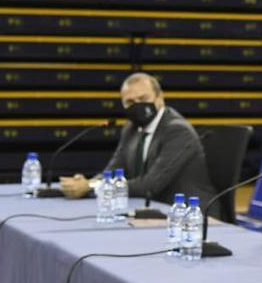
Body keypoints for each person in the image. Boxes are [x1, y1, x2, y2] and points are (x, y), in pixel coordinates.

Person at [59, 72, 216, 207]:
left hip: (187, 214)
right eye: (130, 102)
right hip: (149, 209)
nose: (138, 106)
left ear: (160, 98)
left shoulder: (177, 131)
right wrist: (87, 183)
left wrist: (91, 187)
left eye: (143, 98)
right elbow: (113, 171)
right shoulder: (131, 128)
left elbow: (151, 185)